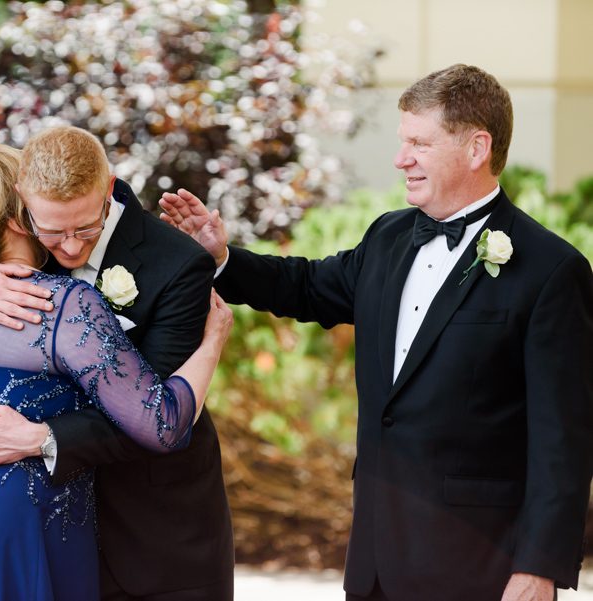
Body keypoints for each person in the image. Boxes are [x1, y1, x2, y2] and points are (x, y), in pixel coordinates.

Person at [159, 64, 593, 601]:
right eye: (401, 141)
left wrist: (539, 568)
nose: (400, 158)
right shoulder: (388, 236)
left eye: (419, 142)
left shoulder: (552, 270)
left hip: (481, 565)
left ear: (477, 148)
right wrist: (223, 258)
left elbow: (563, 442)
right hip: (376, 558)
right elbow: (309, 286)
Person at [0, 128, 236, 600]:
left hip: (145, 533)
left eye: (84, 230)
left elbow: (149, 420)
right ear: (21, 207)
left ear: (105, 191)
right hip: (19, 524)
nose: (68, 248)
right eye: (52, 231)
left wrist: (43, 439)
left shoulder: (176, 264)